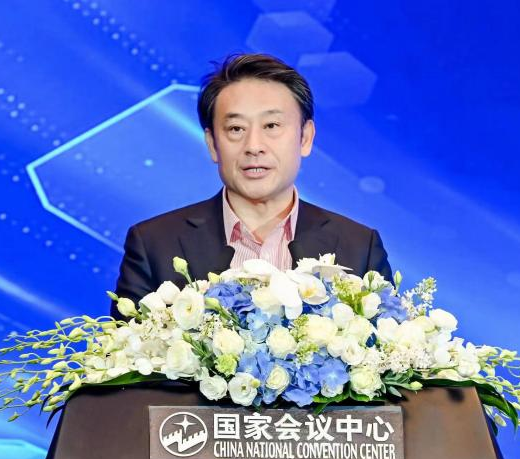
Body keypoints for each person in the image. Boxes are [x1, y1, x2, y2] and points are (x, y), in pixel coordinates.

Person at [111, 53, 393, 319]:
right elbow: (127, 352)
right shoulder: (154, 244)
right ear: (212, 144)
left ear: (305, 138)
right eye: (236, 129)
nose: (254, 146)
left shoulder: (359, 247)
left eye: (271, 126)